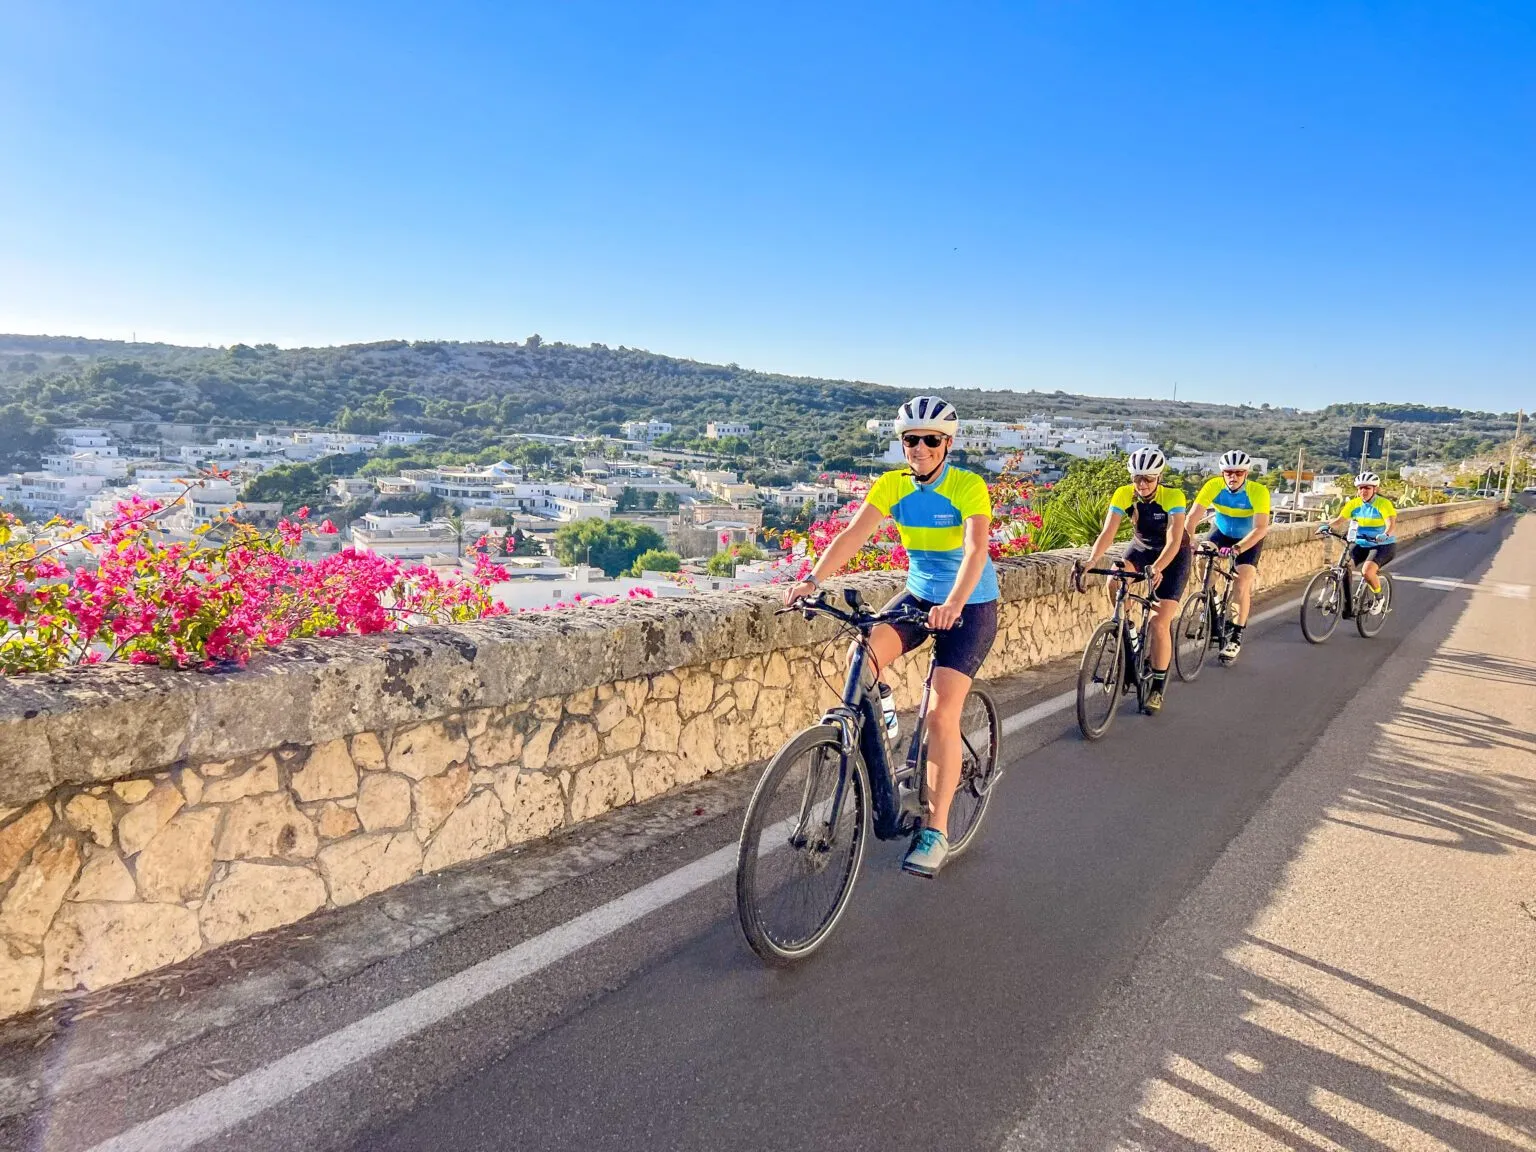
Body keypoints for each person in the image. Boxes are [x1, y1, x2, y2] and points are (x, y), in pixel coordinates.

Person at [782, 396, 998, 878]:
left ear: (947, 444)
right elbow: (852, 536)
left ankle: (936, 829)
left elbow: (975, 548)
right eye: (910, 440)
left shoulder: (967, 486)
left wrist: (956, 604)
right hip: (920, 596)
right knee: (860, 656)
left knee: (943, 713)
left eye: (930, 440)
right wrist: (812, 580)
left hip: (969, 604)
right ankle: (887, 723)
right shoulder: (892, 485)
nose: (919, 448)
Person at [1078, 448, 1188, 713]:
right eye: (1138, 478)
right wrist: (1092, 561)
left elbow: (1174, 539)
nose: (1142, 484)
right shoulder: (1123, 494)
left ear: (1159, 477)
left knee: (1159, 622)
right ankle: (1125, 630)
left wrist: (1159, 567)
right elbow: (1108, 531)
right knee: (1114, 579)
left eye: (1149, 479)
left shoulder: (1173, 496)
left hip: (1173, 556)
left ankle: (1158, 689)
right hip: (1141, 548)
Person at [1186, 450, 1271, 662]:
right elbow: (1192, 517)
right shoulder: (1213, 486)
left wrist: (1239, 549)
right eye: (1228, 472)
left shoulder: (1257, 491)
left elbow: (1261, 528)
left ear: (1246, 474)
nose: (1233, 477)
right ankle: (1211, 598)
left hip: (1248, 539)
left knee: (1241, 584)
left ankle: (1235, 636)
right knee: (1202, 557)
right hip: (1221, 531)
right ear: (1222, 473)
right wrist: (1190, 538)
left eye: (1239, 473)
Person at [1325, 472, 1396, 614]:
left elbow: (1391, 524)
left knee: (1367, 572)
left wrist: (1385, 534)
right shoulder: (1354, 504)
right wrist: (1327, 527)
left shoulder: (1383, 504)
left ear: (1375, 489)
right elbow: (1340, 520)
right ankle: (1347, 605)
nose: (1363, 491)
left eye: (1367, 488)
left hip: (1381, 545)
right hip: (1361, 542)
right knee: (1343, 568)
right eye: (1360, 488)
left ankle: (1379, 597)